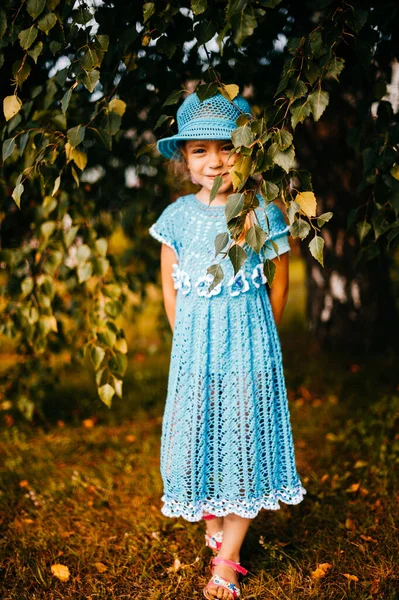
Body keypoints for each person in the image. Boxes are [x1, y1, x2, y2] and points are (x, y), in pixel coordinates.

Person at [148, 91, 306, 600]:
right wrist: (184, 338)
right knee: (197, 438)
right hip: (195, 349)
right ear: (185, 161)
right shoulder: (176, 217)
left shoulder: (259, 211)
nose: (215, 160)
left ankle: (229, 558)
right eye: (201, 150)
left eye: (226, 147)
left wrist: (265, 331)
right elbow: (170, 283)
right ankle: (214, 523)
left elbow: (278, 280)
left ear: (245, 151)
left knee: (245, 437)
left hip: (248, 344)